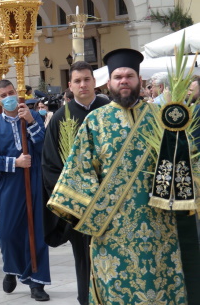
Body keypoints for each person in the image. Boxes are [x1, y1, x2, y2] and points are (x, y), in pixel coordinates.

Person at [47, 49, 193, 304]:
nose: (124, 81)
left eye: (129, 76)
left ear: (140, 81)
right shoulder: (96, 121)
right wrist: (89, 214)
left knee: (160, 284)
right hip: (112, 227)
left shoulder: (163, 119)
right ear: (109, 83)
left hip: (159, 223)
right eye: (118, 77)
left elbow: (183, 166)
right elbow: (79, 171)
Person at [41, 61, 110, 305]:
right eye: (77, 81)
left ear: (95, 82)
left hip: (114, 204)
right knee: (85, 261)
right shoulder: (61, 118)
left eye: (87, 79)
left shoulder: (110, 109)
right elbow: (50, 165)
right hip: (81, 208)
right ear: (70, 85)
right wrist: (72, 203)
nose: (83, 84)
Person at [0, 80, 51, 301]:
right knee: (8, 233)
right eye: (4, 95)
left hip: (33, 181)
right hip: (9, 185)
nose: (8, 97)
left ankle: (36, 283)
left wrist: (31, 122)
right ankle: (11, 268)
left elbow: (44, 147)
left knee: (36, 231)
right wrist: (15, 162)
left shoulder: (33, 117)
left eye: (11, 93)